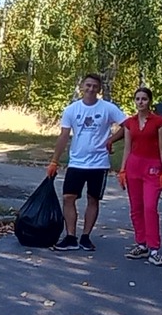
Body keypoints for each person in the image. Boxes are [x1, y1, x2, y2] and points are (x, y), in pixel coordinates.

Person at [46, 73, 125, 252]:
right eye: (88, 85)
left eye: (95, 86)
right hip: (77, 162)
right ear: (82, 86)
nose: (91, 89)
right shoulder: (71, 110)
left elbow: (127, 126)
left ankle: (86, 237)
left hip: (99, 163)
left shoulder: (108, 108)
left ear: (99, 89)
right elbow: (64, 135)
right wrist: (54, 161)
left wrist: (111, 140)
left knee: (93, 199)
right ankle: (70, 237)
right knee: (68, 198)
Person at [108, 86, 162, 264]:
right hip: (134, 167)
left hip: (152, 167)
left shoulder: (159, 122)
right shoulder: (130, 123)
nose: (140, 102)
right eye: (137, 99)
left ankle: (154, 249)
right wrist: (122, 170)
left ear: (149, 101)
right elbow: (127, 148)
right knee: (136, 208)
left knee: (150, 207)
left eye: (144, 99)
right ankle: (141, 244)